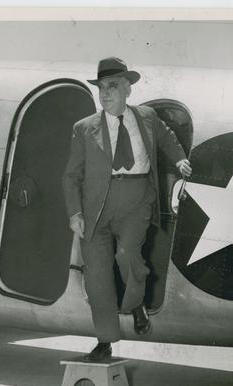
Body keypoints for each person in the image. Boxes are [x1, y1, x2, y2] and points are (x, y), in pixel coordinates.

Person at [62, 57, 192, 362]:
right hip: (96, 209)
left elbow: (166, 137)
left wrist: (179, 159)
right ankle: (105, 340)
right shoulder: (84, 128)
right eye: (101, 88)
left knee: (127, 255)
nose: (105, 93)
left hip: (136, 200)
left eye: (113, 87)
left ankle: (135, 303)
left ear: (128, 89)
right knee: (96, 276)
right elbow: (70, 176)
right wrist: (74, 214)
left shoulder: (146, 117)